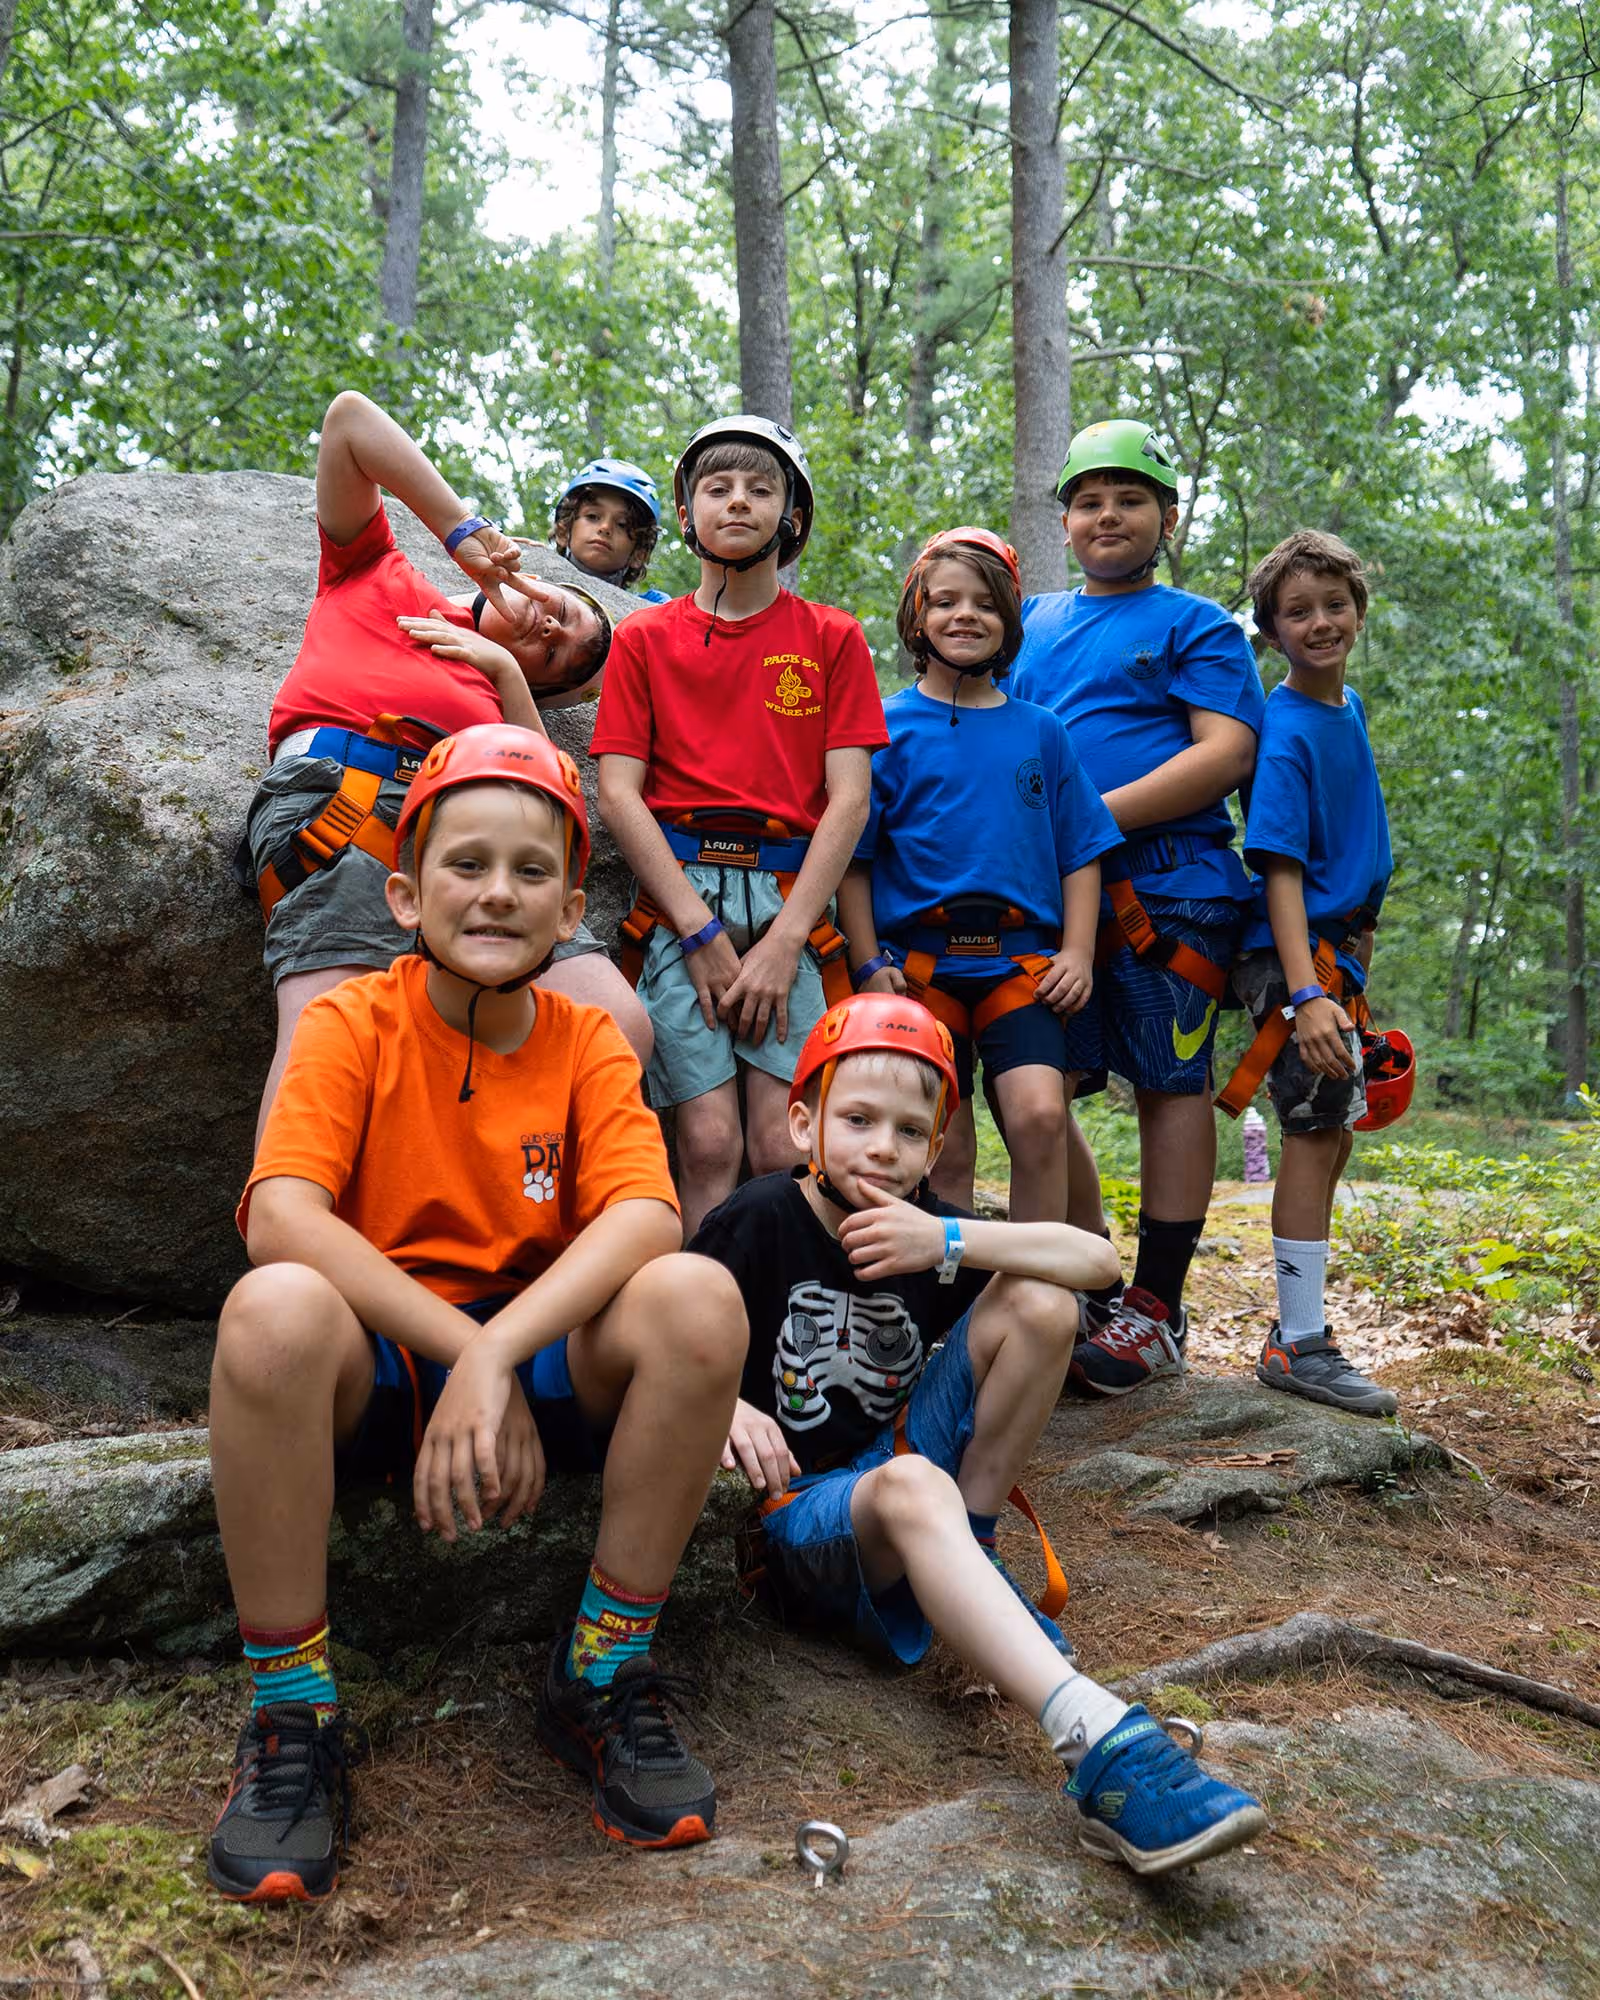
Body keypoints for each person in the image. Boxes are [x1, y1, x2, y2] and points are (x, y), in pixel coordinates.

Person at [206, 724, 747, 1903]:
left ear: (570, 916)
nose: (496, 891)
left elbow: (648, 1216)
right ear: (404, 892)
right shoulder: (354, 1020)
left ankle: (602, 1667)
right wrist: (463, 1352)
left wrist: (502, 1349)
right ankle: (294, 1706)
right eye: (465, 862)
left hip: (544, 1357)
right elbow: (281, 1215)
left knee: (698, 1294)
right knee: (270, 1310)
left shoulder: (588, 1037)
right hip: (388, 1360)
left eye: (532, 869)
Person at [691, 994, 1268, 1877]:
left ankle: (977, 1542)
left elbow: (1098, 1267)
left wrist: (947, 1236)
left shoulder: (930, 1229)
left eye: (910, 1131)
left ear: (936, 1146)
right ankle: (1096, 1739)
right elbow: (675, 1326)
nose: (882, 1148)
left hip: (898, 1471)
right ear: (803, 1121)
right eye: (857, 1120)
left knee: (1040, 1300)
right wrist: (723, 1407)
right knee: (918, 1489)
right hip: (796, 1519)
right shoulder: (761, 1218)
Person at [240, 391, 650, 1145]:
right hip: (346, 807)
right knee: (328, 1044)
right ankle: (287, 1240)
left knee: (616, 1022)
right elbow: (349, 421)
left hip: (465, 838)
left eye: (556, 654)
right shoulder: (375, 573)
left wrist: (507, 675)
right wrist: (463, 533)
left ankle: (514, 1206)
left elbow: (559, 815)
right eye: (562, 608)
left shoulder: (502, 711)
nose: (552, 627)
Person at [1011, 419, 1263, 1396]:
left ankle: (1156, 1303)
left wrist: (1088, 817)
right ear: (1064, 520)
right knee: (1039, 1080)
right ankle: (1090, 1280)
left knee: (1170, 1081)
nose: (1106, 514)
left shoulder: (1194, 624)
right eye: (1087, 499)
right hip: (1045, 894)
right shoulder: (1027, 622)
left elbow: (1224, 752)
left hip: (1168, 887)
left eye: (1129, 497)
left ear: (1165, 515)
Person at [593, 415, 888, 1235]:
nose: (738, 502)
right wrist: (695, 930)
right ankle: (701, 1338)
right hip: (681, 893)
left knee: (777, 1141)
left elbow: (850, 799)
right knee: (709, 1137)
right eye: (717, 488)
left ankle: (784, 1331)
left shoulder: (830, 637)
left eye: (762, 489)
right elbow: (620, 790)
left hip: (793, 894)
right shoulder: (645, 638)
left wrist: (790, 937)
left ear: (790, 516)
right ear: (687, 513)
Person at [836, 528, 1121, 1223]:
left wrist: (1078, 952)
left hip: (1019, 963)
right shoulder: (884, 729)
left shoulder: (1042, 731)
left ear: (1009, 622)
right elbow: (855, 862)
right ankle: (941, 1305)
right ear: (916, 618)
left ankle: (1040, 1296)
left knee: (1040, 1119)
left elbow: (1080, 852)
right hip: (916, 965)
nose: (965, 616)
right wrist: (868, 961)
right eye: (945, 602)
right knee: (943, 1141)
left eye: (985, 605)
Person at [1228, 530, 1397, 1415]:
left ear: (1359, 612)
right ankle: (1298, 1343)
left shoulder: (1348, 708)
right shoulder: (1286, 727)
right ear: (1272, 630)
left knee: (1333, 1131)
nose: (1321, 622)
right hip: (1294, 958)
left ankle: (1301, 1327)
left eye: (1335, 605)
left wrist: (1353, 977)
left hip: (1336, 957)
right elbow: (1281, 869)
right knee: (1309, 1126)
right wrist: (1303, 997)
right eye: (1298, 611)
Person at [552, 456, 671, 603]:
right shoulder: (530, 579)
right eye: (592, 516)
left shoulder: (652, 609)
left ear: (639, 555)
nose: (605, 528)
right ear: (563, 532)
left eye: (622, 524)